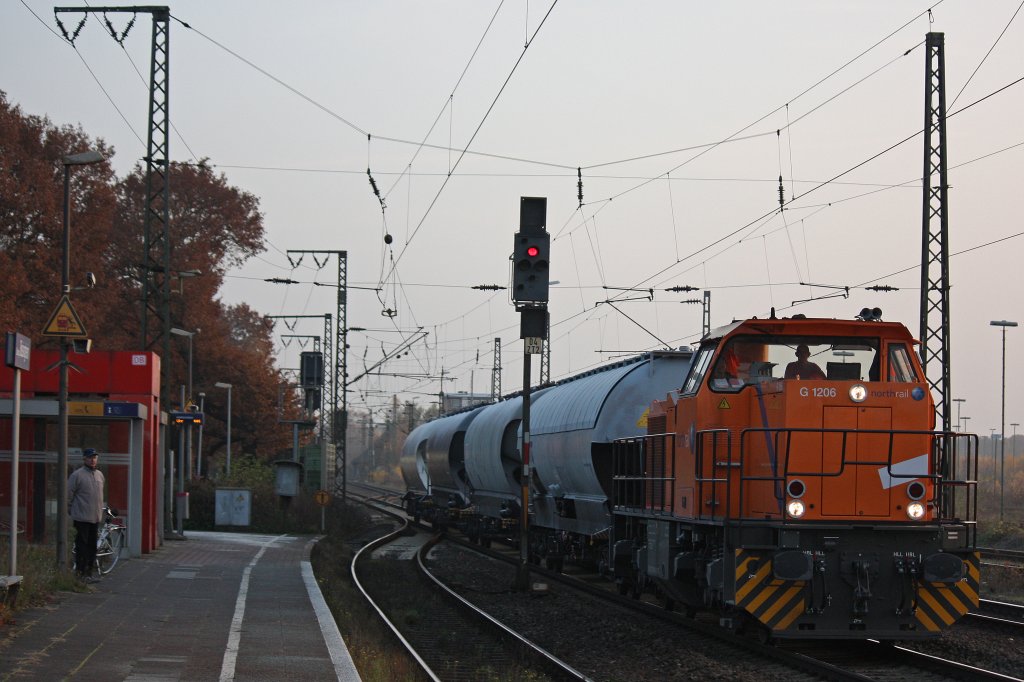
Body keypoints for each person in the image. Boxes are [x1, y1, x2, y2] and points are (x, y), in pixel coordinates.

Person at [68, 447, 105, 582]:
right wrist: (71, 510)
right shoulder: (77, 475)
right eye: (90, 457)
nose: (93, 460)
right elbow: (69, 494)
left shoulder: (100, 475)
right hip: (81, 517)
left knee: (92, 547)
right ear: (84, 459)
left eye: (95, 457)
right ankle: (80, 573)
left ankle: (89, 573)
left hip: (95, 517)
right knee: (81, 546)